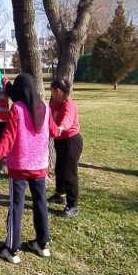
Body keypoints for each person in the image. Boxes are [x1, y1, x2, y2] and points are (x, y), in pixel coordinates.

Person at [0, 73, 60, 263]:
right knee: (40, 203)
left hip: (19, 167)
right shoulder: (44, 108)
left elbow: (8, 138)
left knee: (17, 207)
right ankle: (43, 244)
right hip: (40, 166)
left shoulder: (17, 109)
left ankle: (12, 250)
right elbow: (54, 131)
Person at [49, 77, 83, 218]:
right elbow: (47, 111)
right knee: (60, 168)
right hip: (60, 140)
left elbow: (67, 120)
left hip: (71, 141)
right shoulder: (57, 103)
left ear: (58, 91)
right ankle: (60, 194)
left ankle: (72, 206)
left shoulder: (69, 105)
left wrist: (61, 127)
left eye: (51, 91)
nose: (51, 93)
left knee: (70, 174)